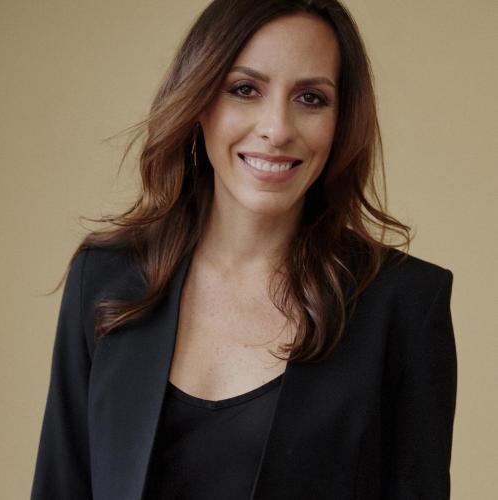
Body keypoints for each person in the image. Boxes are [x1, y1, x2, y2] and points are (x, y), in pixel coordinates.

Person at [30, 1, 457, 499]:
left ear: (341, 121)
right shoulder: (105, 279)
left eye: (311, 98)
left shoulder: (404, 303)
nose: (277, 128)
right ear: (199, 103)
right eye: (245, 89)